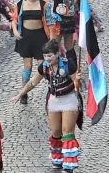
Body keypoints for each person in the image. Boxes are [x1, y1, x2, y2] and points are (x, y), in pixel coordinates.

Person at [11, 40, 81, 172]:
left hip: (69, 99)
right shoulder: (43, 67)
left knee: (67, 131)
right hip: (54, 100)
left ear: (57, 54)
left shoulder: (68, 65)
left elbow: (78, 86)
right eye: (45, 56)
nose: (47, 59)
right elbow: (33, 82)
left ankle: (69, 164)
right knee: (55, 131)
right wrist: (20, 94)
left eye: (50, 56)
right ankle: (57, 158)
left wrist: (77, 79)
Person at [11, 0, 50, 104]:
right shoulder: (20, 4)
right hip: (26, 37)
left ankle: (53, 88)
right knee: (27, 66)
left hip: (40, 37)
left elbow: (49, 20)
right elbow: (14, 19)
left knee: (42, 66)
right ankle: (24, 92)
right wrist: (15, 31)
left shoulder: (43, 4)